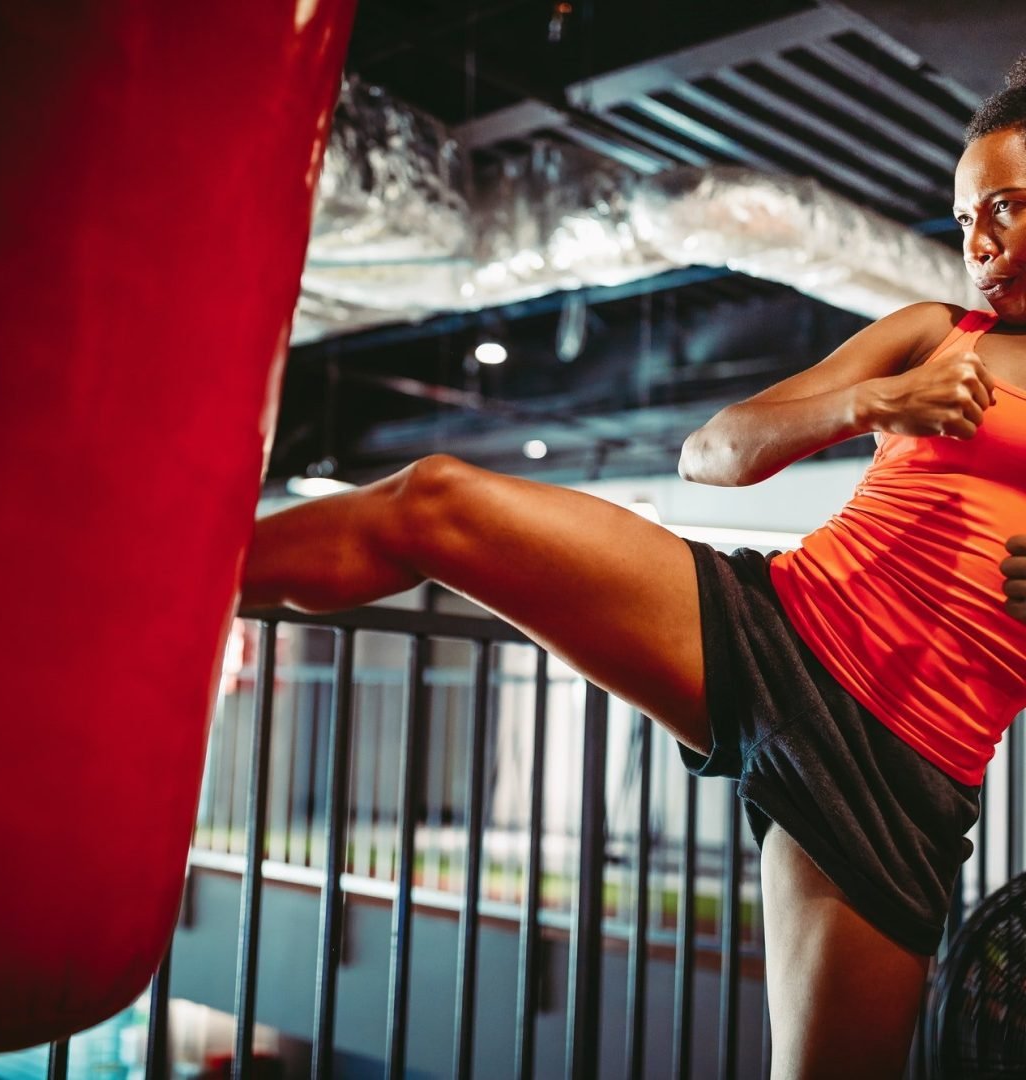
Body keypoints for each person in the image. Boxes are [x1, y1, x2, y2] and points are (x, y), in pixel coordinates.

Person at [242, 59, 1026, 1080]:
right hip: (776, 627)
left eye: (1005, 208)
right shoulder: (934, 333)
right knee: (438, 501)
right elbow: (714, 454)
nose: (977, 242)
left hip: (906, 770)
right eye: (965, 215)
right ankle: (152, 583)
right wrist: (868, 406)